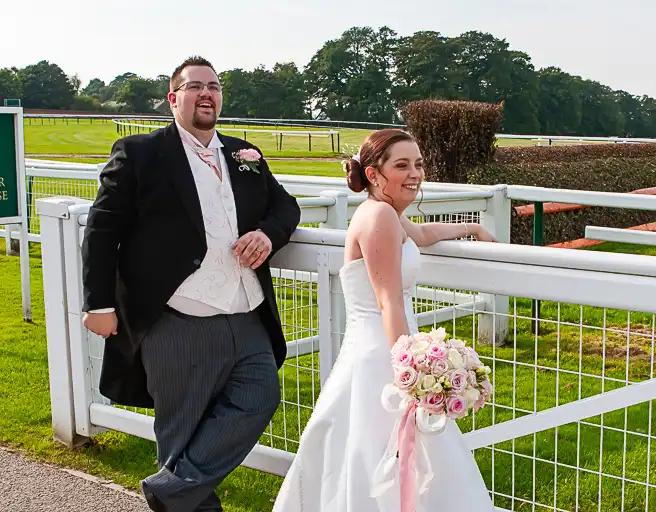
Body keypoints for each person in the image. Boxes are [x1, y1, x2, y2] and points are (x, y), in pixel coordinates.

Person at [80, 56, 301, 511]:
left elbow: (286, 207)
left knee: (260, 397)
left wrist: (268, 234)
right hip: (178, 318)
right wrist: (98, 304)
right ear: (173, 98)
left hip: (247, 315)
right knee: (181, 431)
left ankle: (166, 493)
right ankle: (181, 498)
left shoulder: (244, 155)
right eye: (195, 86)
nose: (206, 93)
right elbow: (102, 229)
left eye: (214, 86)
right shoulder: (140, 152)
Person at [272, 128, 498, 511]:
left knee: (398, 455)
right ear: (374, 174)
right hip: (383, 355)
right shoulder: (378, 216)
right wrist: (414, 371)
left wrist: (472, 227)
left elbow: (422, 233)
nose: (415, 174)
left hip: (383, 348)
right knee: (381, 452)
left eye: (419, 164)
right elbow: (388, 301)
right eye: (402, 165)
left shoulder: (386, 212)